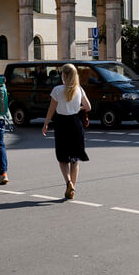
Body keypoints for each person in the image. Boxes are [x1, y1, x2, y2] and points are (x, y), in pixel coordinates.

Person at [42, 62, 91, 200]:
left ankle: (68, 182)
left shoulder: (57, 90)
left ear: (63, 75)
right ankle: (72, 189)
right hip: (76, 124)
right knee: (75, 160)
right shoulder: (79, 89)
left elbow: (51, 109)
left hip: (62, 124)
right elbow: (88, 107)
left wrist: (45, 124)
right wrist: (77, 108)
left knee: (63, 158)